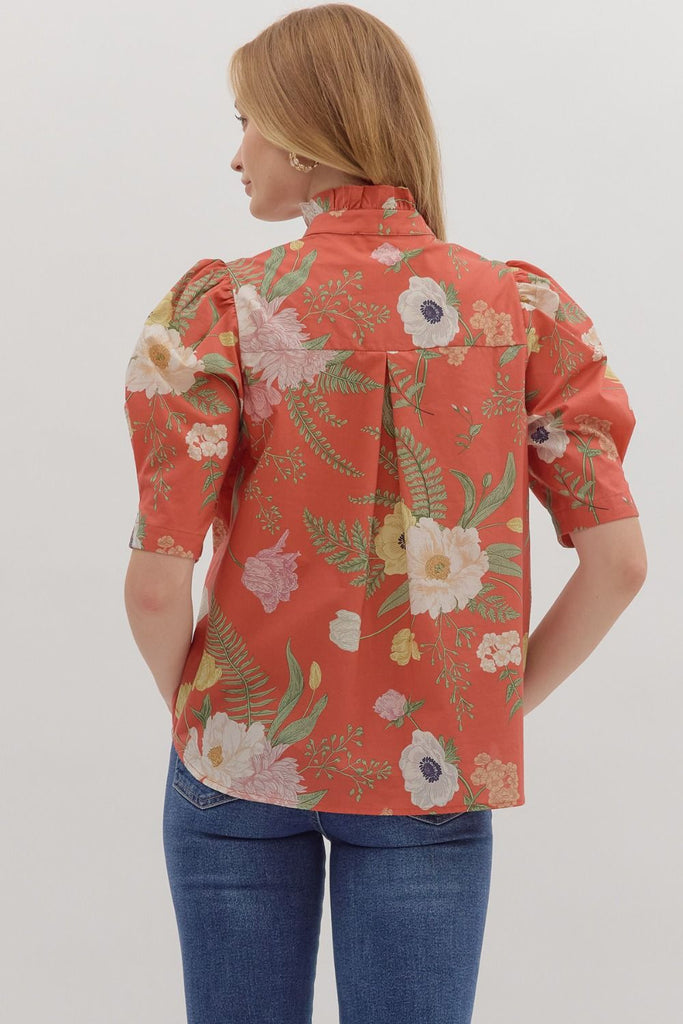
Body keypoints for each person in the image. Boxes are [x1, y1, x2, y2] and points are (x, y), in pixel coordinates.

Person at [122, 5, 647, 1023]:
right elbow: (619, 564)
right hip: (434, 766)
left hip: (237, 750)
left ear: (304, 135)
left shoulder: (223, 311)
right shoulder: (516, 311)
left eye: (246, 121)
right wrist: (490, 706)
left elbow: (154, 586)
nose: (236, 154)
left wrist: (202, 719)